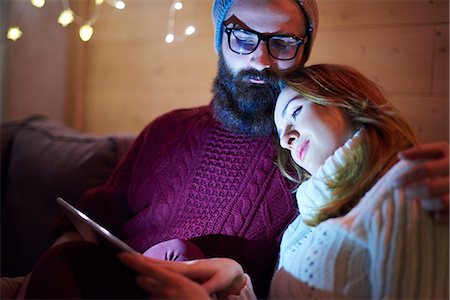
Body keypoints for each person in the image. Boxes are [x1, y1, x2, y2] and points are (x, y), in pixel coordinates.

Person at [19, 0, 449, 298]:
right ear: (219, 40)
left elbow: (377, 175)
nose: (261, 59)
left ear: (303, 50)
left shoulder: (310, 159)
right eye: (242, 36)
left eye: (282, 42)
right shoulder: (166, 129)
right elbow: (91, 216)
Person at [119, 64, 449, 299]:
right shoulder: (304, 220)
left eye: (294, 112)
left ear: (344, 100)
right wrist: (237, 283)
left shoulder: (410, 188)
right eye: (280, 135)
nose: (288, 139)